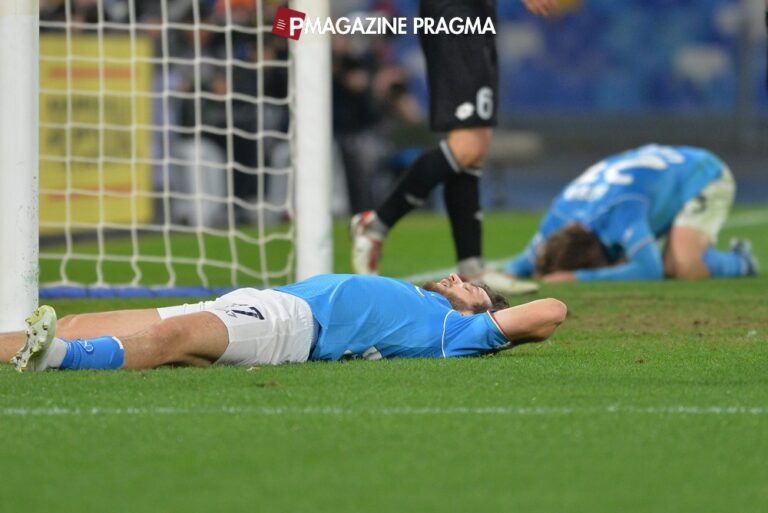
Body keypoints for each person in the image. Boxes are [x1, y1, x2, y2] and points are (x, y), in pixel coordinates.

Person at [350, 0, 558, 295]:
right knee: (466, 146)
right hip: (455, 12)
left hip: (476, 14)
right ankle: (376, 225)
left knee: (475, 143)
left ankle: (472, 266)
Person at [2, 274, 567, 372]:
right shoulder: (419, 299)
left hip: (292, 327)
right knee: (75, 318)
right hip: (255, 300)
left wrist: (487, 319)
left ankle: (58, 360)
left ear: (482, 309)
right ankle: (50, 346)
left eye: (468, 284)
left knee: (172, 339)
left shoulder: (457, 332)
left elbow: (551, 312)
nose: (452, 277)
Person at [505, 144, 759, 282]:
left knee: (681, 267)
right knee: (669, 258)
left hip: (701, 174)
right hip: (653, 177)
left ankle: (741, 261)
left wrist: (577, 277)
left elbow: (650, 270)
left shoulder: (621, 212)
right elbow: (520, 264)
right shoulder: (558, 218)